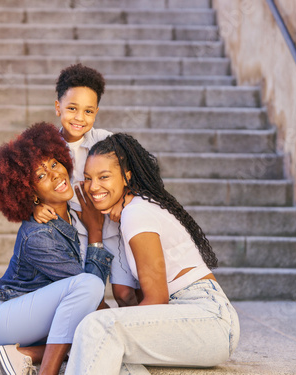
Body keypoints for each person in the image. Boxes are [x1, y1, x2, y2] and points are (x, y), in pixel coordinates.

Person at [65, 133, 240, 374]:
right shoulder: (126, 216)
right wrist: (98, 230)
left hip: (209, 318)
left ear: (127, 176)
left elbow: (156, 299)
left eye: (103, 177)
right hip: (192, 319)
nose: (93, 187)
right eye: (87, 178)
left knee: (96, 328)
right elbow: (124, 295)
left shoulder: (137, 213)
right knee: (107, 348)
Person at [0, 122, 113, 375]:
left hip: (29, 319)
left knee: (90, 326)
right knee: (89, 292)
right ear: (29, 192)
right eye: (40, 175)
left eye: (54, 164)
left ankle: (24, 353)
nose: (55, 174)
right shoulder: (38, 234)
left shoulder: (73, 214)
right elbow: (89, 289)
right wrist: (95, 234)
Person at [33, 63, 140, 306]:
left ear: (96, 112)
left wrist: (126, 198)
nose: (80, 118)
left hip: (115, 229)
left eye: (88, 111)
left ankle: (139, 333)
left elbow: (138, 173)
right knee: (90, 297)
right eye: (72, 108)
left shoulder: (105, 140)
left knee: (125, 293)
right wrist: (34, 206)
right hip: (78, 236)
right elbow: (32, 182)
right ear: (58, 106)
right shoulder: (45, 145)